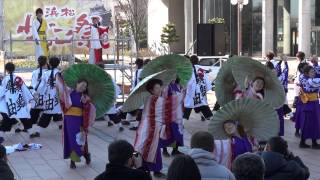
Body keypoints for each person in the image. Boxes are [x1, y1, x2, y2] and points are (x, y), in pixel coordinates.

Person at [56, 74, 95, 169]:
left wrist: (86, 104)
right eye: (81, 85)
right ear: (77, 84)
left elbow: (88, 110)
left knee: (79, 141)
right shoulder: (69, 93)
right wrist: (60, 76)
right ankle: (73, 161)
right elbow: (61, 92)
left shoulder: (85, 97)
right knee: (71, 141)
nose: (83, 87)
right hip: (68, 121)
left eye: (85, 86)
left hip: (79, 122)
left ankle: (85, 155)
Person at [134, 79, 167, 178]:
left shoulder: (149, 98)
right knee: (151, 148)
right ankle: (152, 169)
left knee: (144, 147)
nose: (160, 89)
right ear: (151, 90)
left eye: (160, 87)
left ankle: (143, 167)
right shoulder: (158, 100)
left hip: (147, 126)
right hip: (152, 127)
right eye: (157, 88)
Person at [0, 62, 33, 142]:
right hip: (19, 102)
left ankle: (1, 135)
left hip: (9, 102)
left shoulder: (4, 79)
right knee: (23, 117)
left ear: (6, 70)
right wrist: (29, 99)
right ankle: (31, 132)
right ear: (14, 69)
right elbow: (24, 89)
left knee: (7, 119)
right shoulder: (18, 78)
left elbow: (2, 91)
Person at [35, 57, 62, 137]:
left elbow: (40, 86)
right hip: (57, 97)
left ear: (49, 64)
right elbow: (63, 86)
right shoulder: (60, 73)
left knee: (47, 114)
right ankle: (62, 127)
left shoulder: (45, 73)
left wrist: (38, 94)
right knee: (55, 113)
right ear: (58, 64)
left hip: (48, 96)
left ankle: (38, 131)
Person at [295, 65, 320, 149]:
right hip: (310, 104)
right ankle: (311, 142)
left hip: (309, 103)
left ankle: (308, 142)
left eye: (313, 71)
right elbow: (316, 83)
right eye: (312, 72)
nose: (314, 73)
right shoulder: (310, 81)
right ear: (306, 73)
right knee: (311, 122)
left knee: (310, 122)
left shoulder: (303, 78)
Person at [184, 55, 213, 122]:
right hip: (199, 94)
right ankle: (204, 117)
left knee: (187, 110)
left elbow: (188, 83)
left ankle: (181, 127)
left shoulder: (189, 70)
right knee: (200, 107)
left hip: (192, 94)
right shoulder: (198, 68)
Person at [160, 78, 184, 156]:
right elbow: (163, 100)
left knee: (177, 134)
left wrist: (183, 93)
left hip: (178, 114)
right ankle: (165, 150)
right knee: (167, 133)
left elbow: (181, 100)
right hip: (169, 114)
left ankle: (175, 150)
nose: (174, 76)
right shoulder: (166, 87)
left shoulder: (178, 85)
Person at [29, 56, 48, 138]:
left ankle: (32, 131)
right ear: (46, 63)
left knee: (34, 114)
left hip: (36, 95)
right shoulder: (48, 72)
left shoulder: (34, 72)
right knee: (48, 113)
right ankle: (37, 130)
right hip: (46, 96)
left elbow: (32, 84)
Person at [127, 58, 144, 130]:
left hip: (138, 92)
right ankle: (129, 120)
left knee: (139, 108)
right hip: (140, 91)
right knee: (138, 108)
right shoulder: (141, 71)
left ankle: (135, 124)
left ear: (137, 64)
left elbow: (137, 82)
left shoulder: (138, 71)